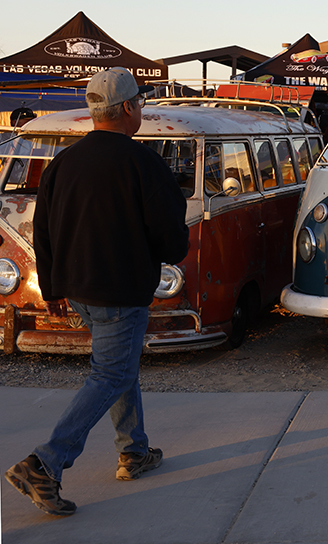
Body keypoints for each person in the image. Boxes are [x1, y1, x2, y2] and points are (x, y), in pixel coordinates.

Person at [4, 68, 190, 517]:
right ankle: (44, 463)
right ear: (128, 108)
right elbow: (170, 235)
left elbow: (42, 230)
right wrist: (170, 252)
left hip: (78, 290)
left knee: (119, 367)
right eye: (140, 103)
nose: (141, 109)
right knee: (110, 374)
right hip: (120, 292)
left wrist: (52, 287)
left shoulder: (65, 161)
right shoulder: (143, 162)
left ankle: (134, 451)